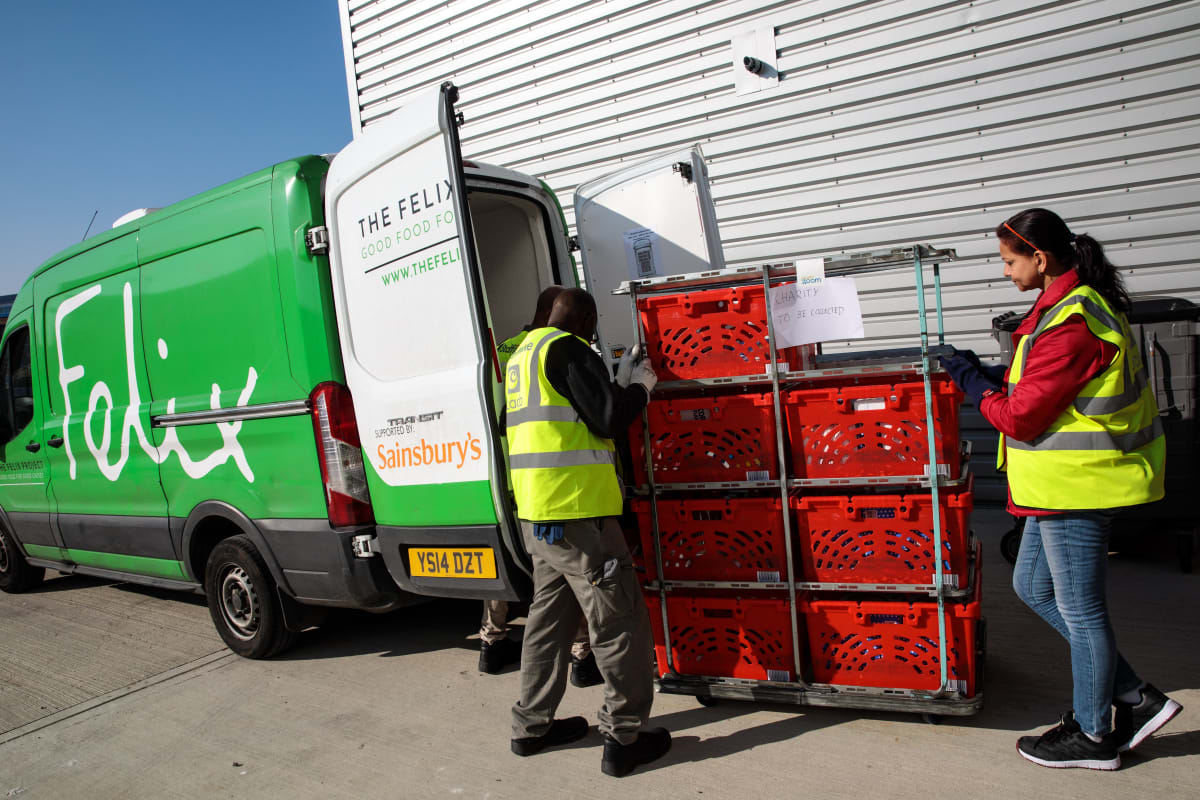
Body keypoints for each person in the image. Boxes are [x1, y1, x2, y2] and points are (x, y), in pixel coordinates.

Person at [940, 208, 1182, 771]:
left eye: (1008, 261)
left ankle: (1095, 736)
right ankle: (1133, 697)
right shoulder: (1059, 309)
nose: (1004, 272)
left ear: (1040, 259)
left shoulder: (1072, 320)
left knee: (1082, 610)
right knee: (1032, 587)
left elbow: (1022, 417)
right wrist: (989, 373)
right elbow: (1045, 387)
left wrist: (972, 382)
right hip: (1055, 488)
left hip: (1078, 488)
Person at [505, 287, 670, 777]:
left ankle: (530, 727)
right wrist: (638, 388)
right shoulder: (568, 348)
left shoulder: (521, 356)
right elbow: (608, 419)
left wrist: (610, 382)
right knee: (619, 621)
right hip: (582, 518)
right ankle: (625, 737)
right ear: (586, 319)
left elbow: (545, 422)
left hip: (539, 518)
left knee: (547, 622)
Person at [479, 285, 602, 688]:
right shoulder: (552, 349)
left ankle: (492, 641)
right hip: (550, 480)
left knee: (521, 575)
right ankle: (582, 656)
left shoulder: (504, 351)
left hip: (509, 476)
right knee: (575, 579)